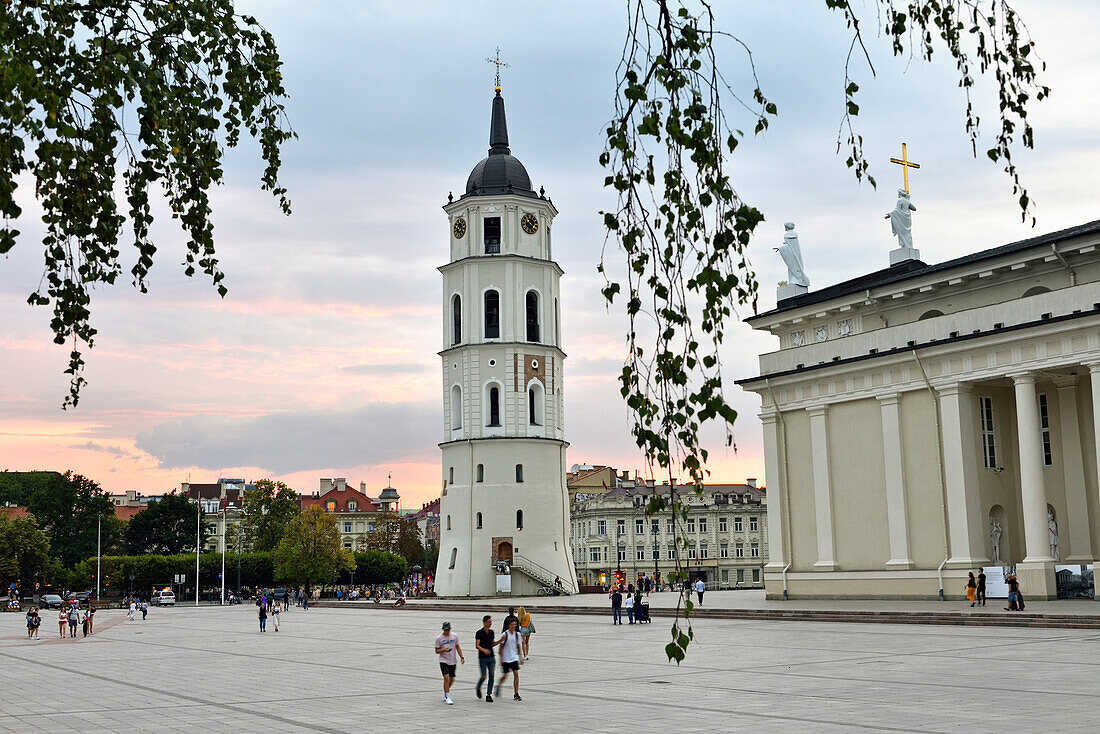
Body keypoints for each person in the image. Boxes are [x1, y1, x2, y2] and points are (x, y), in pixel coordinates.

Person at [434, 621, 464, 705]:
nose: (446, 632)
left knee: (451, 679)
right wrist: (444, 650)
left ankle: (445, 690)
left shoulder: (454, 636)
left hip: (453, 660)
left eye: (448, 630)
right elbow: (437, 650)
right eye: (445, 630)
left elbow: (458, 647)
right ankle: (448, 696)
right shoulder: (439, 638)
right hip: (443, 660)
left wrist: (462, 656)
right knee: (446, 677)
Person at [497, 618, 522, 701]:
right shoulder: (505, 634)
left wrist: (520, 657)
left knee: (516, 673)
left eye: (515, 624)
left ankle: (516, 693)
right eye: (513, 624)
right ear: (509, 625)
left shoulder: (517, 634)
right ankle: (499, 685)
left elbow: (518, 646)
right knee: (505, 675)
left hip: (514, 657)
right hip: (506, 657)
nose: (514, 626)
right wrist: (501, 659)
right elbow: (500, 648)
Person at [474, 615, 496, 702]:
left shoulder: (491, 632)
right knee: (484, 676)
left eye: (491, 622)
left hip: (491, 657)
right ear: (485, 622)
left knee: (492, 675)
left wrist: (500, 641)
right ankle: (478, 687)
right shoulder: (479, 633)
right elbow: (477, 645)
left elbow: (492, 643)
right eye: (489, 622)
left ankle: (489, 694)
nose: (491, 623)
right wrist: (484, 650)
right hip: (482, 658)